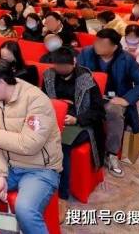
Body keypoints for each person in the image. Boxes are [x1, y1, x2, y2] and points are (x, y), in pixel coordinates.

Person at [0, 60, 62, 234]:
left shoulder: (36, 100)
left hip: (40, 169)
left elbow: (29, 144)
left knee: (25, 210)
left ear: (1, 83)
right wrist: (0, 175)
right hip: (9, 166)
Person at [76, 29, 139, 178]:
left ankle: (111, 154)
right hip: (89, 97)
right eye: (96, 42)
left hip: (114, 98)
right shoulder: (86, 53)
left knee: (114, 111)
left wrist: (126, 99)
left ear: (114, 47)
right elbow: (77, 75)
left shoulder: (126, 59)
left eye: (102, 44)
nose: (97, 46)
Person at [40, 47, 105, 205]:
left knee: (62, 145)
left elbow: (99, 111)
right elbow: (43, 101)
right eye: (58, 66)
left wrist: (76, 119)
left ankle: (62, 193)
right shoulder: (49, 76)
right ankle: (42, 183)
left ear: (73, 64)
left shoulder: (86, 79)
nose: (60, 69)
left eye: (64, 66)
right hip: (56, 119)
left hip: (81, 123)